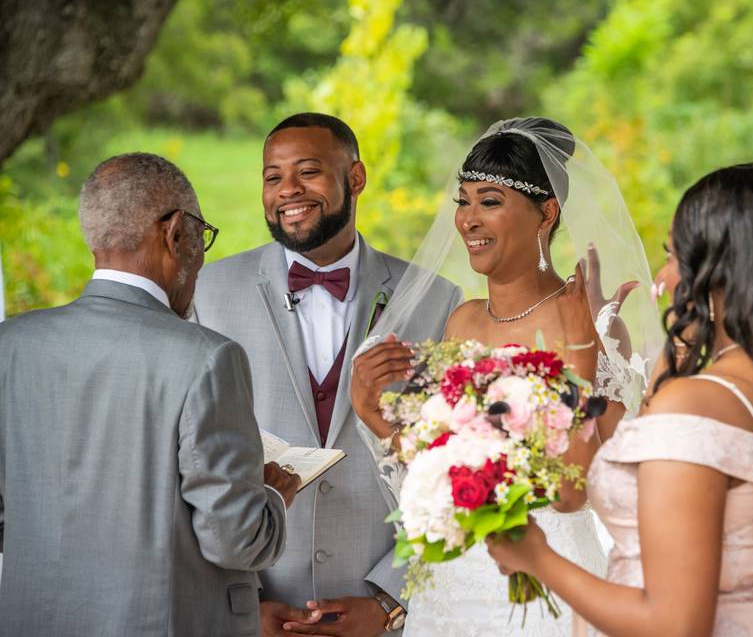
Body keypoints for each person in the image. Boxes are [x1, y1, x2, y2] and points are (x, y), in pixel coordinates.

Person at [487, 163, 753, 636]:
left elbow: (672, 624)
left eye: (673, 256)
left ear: (722, 277)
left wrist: (537, 556)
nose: (663, 275)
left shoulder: (695, 404)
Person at [351, 117, 662, 635]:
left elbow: (572, 492)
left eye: (490, 201)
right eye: (463, 201)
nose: (469, 220)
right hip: (451, 588)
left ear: (546, 213)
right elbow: (442, 470)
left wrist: (583, 355)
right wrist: (374, 415)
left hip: (546, 589)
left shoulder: (583, 323)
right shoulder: (463, 320)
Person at [0, 153, 298, 635]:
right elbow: (235, 541)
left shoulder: (9, 346)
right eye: (201, 235)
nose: (201, 255)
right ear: (175, 232)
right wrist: (272, 496)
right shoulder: (208, 357)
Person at [192, 113, 461, 636]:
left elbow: (451, 471)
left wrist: (390, 603)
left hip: (380, 611)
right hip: (254, 607)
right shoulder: (208, 294)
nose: (288, 190)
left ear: (355, 178)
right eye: (273, 176)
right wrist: (243, 604)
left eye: (308, 171)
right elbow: (193, 466)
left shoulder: (435, 299)